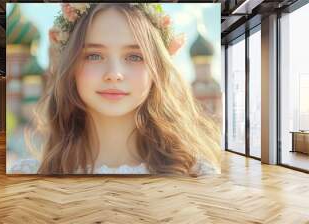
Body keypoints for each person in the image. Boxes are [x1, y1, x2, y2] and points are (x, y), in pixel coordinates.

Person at [15, 3, 221, 176]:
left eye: (134, 56)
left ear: (156, 69)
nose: (114, 73)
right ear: (71, 67)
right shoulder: (27, 175)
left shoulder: (197, 176)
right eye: (94, 55)